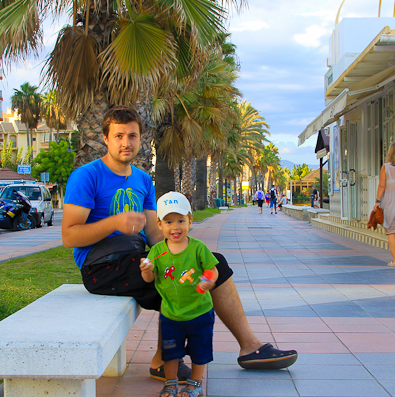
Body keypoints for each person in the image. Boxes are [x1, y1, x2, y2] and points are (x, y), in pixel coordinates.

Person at [62, 107, 298, 383]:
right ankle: (164, 361)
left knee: (212, 263)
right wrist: (114, 223)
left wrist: (182, 249)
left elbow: (152, 231)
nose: (126, 142)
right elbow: (70, 236)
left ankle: (249, 346)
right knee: (176, 278)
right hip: (101, 266)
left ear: (140, 139)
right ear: (105, 138)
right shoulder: (87, 176)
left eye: (132, 136)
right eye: (118, 136)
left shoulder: (141, 179)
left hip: (135, 256)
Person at [140, 191, 217, 397]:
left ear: (190, 221)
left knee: (199, 351)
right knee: (170, 352)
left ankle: (195, 383)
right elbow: (149, 279)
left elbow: (212, 269)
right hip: (171, 314)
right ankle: (171, 382)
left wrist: (209, 280)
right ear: (159, 224)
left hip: (199, 312)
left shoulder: (198, 248)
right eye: (168, 221)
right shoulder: (157, 252)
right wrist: (146, 270)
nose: (175, 227)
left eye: (181, 220)